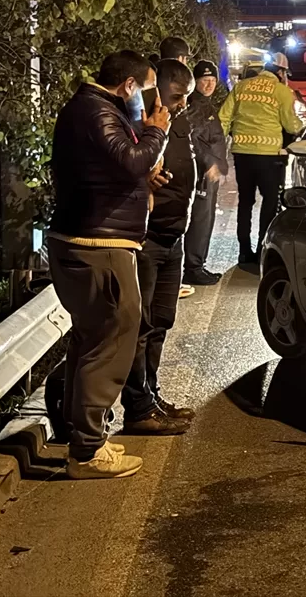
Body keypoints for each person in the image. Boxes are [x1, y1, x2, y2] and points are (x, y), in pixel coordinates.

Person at [48, 50, 170, 479]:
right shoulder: (98, 113)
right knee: (114, 335)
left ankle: (84, 438)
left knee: (92, 338)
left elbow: (114, 167)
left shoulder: (91, 111)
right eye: (150, 89)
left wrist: (141, 175)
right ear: (131, 86)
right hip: (98, 244)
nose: (153, 101)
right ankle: (87, 452)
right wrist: (156, 134)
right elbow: (131, 159)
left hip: (91, 239)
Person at [119, 60, 199, 435]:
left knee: (161, 322)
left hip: (174, 238)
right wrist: (145, 183)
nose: (183, 103)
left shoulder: (176, 122)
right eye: (178, 96)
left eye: (187, 96)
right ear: (159, 90)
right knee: (142, 326)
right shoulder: (139, 125)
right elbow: (125, 172)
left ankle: (152, 395)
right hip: (148, 239)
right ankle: (137, 408)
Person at [219, 51, 303, 266]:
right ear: (281, 72)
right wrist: (302, 125)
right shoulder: (282, 91)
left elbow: (223, 119)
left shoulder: (241, 86)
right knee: (270, 201)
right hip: (269, 157)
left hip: (242, 154)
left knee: (245, 202)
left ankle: (244, 251)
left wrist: (221, 151)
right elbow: (291, 125)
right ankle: (262, 250)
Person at [183, 60, 228, 286]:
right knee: (200, 220)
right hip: (202, 174)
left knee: (206, 219)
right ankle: (194, 267)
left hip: (209, 173)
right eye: (204, 80)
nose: (209, 85)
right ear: (196, 81)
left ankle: (197, 265)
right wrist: (210, 163)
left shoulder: (206, 104)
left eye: (212, 80)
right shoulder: (196, 105)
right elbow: (193, 140)